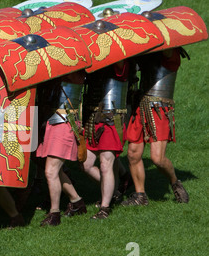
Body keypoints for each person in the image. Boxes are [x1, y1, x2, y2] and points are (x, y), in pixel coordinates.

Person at [123, 48, 189, 205]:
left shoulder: (171, 53)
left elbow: (166, 51)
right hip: (141, 106)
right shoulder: (149, 53)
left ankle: (175, 182)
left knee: (157, 159)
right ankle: (140, 195)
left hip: (159, 109)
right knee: (132, 154)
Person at [35, 71, 87, 227]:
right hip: (52, 122)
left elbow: (68, 74)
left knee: (51, 171)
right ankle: (77, 202)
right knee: (55, 170)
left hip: (64, 122)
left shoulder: (74, 69)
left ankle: (54, 214)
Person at [81, 60, 131, 219]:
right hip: (93, 120)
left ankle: (105, 207)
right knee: (85, 163)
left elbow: (119, 64)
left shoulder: (119, 61)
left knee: (105, 163)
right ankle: (113, 191)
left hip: (111, 119)